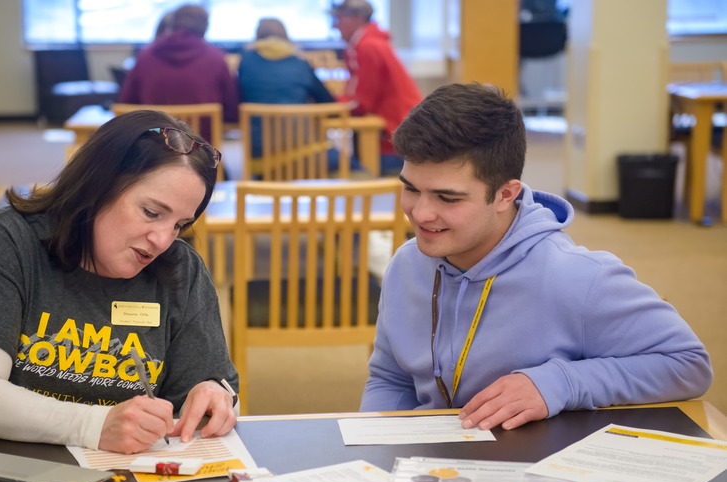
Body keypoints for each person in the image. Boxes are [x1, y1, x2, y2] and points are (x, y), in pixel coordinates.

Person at [360, 83, 712, 431]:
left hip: (532, 472)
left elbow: (688, 364)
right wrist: (375, 446)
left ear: (505, 194)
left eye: (447, 198)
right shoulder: (407, 265)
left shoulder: (576, 278)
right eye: (410, 188)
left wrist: (560, 383)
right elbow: (392, 380)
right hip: (433, 473)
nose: (420, 214)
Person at [0, 110, 239, 454]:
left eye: (180, 224)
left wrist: (214, 395)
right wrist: (94, 425)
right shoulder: (3, 240)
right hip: (11, 469)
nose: (163, 240)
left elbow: (212, 392)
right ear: (96, 186)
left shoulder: (180, 268)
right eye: (151, 212)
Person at [329, 0, 422, 173]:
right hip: (404, 131)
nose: (335, 26)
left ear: (355, 19)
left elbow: (361, 103)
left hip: (394, 140)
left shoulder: (366, 46)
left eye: (338, 19)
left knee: (342, 168)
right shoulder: (372, 42)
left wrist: (328, 103)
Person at [118, 4, 239, 131]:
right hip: (202, 145)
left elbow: (126, 105)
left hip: (154, 144)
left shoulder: (145, 56)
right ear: (204, 28)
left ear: (173, 24)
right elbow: (231, 111)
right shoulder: (216, 58)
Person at [238, 18, 339, 167]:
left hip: (262, 160)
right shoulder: (300, 64)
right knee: (360, 171)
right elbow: (329, 104)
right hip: (306, 152)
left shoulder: (246, 62)